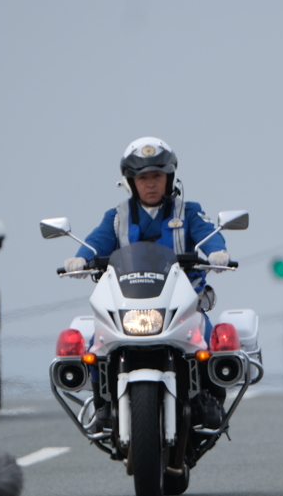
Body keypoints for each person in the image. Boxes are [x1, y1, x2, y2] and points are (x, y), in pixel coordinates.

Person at [64, 136, 230, 428]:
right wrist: (80, 258)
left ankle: (209, 398)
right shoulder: (117, 217)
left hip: (182, 303)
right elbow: (96, 242)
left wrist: (218, 251)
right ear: (130, 181)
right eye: (143, 177)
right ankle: (103, 404)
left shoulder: (188, 211)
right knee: (96, 344)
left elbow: (207, 232)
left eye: (157, 176)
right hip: (130, 302)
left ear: (170, 178)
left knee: (210, 338)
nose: (150, 183)